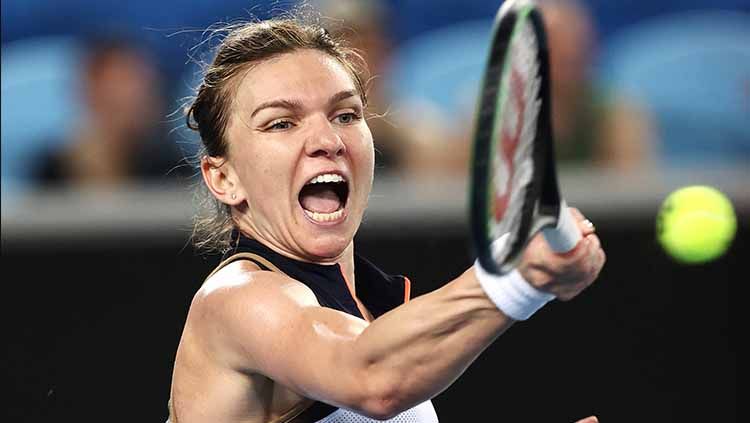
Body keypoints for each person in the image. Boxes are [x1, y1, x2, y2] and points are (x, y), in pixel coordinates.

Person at [168, 15, 605, 423]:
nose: (327, 139)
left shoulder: (378, 313)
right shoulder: (237, 301)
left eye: (345, 115)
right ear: (223, 178)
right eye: (281, 123)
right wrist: (515, 276)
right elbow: (370, 379)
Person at [32, 36, 181, 187]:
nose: (132, 95)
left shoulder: (173, 166)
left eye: (141, 86)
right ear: (87, 93)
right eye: (118, 85)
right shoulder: (53, 168)